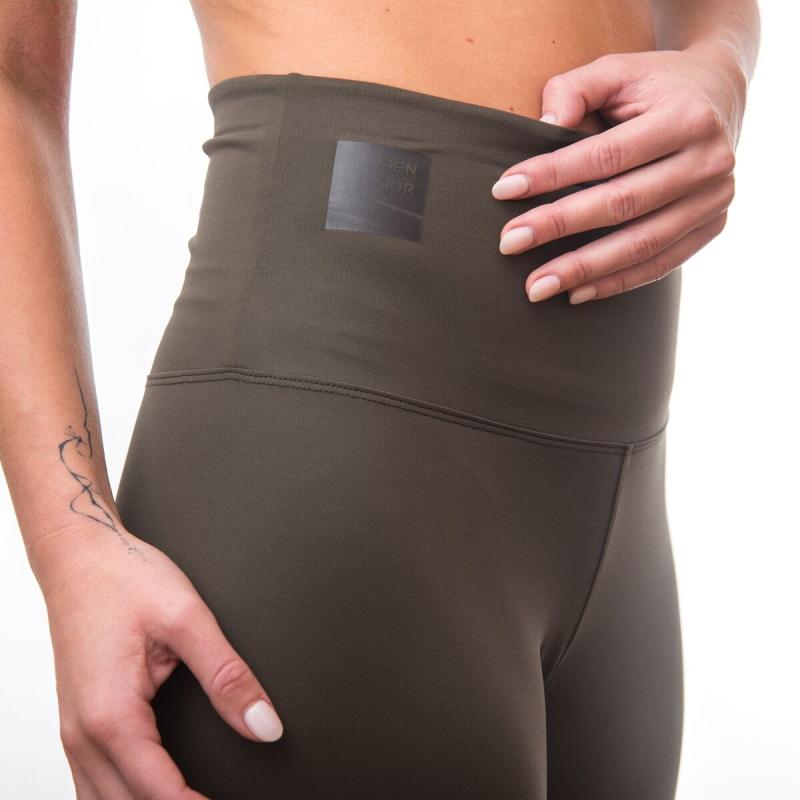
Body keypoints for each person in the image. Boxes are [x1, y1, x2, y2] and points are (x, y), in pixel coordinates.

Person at [0, 1, 759, 798]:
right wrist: (72, 545)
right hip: (334, 453)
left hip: (624, 488)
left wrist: (720, 62)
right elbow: (12, 76)